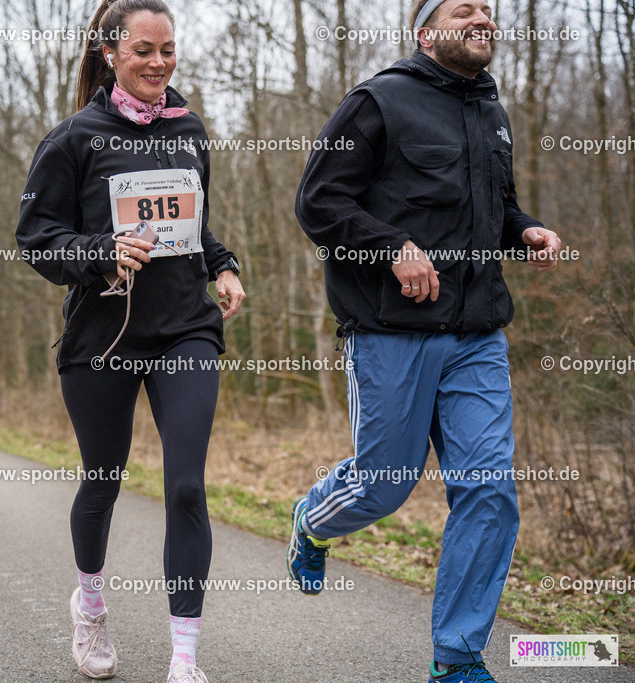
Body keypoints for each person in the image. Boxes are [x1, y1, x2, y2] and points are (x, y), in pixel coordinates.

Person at [287, 1, 562, 681]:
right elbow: (318, 202)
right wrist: (393, 247)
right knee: (384, 485)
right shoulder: (377, 101)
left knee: (490, 490)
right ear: (426, 32)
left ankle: (456, 656)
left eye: (489, 9)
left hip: (477, 336)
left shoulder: (491, 111)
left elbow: (493, 211)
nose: (483, 17)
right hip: (391, 331)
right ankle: (314, 520)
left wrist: (524, 231)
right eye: (464, 8)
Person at [16, 2, 245, 680]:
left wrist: (223, 265)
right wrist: (101, 252)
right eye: (143, 49)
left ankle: (185, 657)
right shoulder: (73, 139)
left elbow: (193, 222)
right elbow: (37, 240)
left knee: (186, 487)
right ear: (110, 53)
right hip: (103, 336)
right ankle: (89, 605)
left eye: (167, 49)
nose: (158, 62)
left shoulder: (189, 128)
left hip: (184, 328)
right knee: (103, 479)